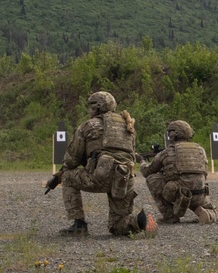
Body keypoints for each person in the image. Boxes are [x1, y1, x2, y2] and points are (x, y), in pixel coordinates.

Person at [48, 91, 155, 236]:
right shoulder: (128, 126)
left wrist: (59, 175)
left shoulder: (88, 126)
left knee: (67, 177)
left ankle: (79, 224)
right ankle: (142, 220)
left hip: (100, 176)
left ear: (96, 107)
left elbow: (72, 159)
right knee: (117, 225)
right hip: (124, 180)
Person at [140, 120, 217, 224]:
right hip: (200, 194)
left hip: (181, 194)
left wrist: (141, 161)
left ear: (173, 134)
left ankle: (170, 216)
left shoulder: (167, 151)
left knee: (152, 179)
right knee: (193, 183)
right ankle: (208, 214)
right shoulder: (200, 150)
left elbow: (147, 171)